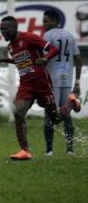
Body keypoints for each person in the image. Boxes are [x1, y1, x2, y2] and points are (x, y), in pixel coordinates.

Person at [0, 16, 81, 160]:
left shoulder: (29, 37)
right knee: (18, 112)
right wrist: (5, 60)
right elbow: (22, 60)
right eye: (1, 29)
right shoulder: (10, 46)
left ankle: (72, 103)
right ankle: (24, 151)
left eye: (5, 28)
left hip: (41, 83)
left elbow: (53, 49)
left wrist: (46, 59)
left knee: (56, 118)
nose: (3, 31)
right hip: (26, 85)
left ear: (14, 27)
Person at [42, 10, 82, 155]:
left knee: (49, 114)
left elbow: (42, 57)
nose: (43, 24)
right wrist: (77, 82)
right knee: (66, 115)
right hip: (67, 79)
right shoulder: (70, 36)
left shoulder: (47, 35)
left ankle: (49, 151)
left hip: (52, 80)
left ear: (54, 21)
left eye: (46, 21)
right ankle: (70, 150)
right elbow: (78, 59)